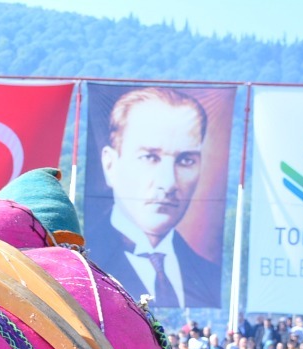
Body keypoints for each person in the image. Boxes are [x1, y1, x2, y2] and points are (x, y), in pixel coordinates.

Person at [88, 85, 221, 308]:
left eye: (186, 160)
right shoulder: (83, 266)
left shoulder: (208, 274)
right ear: (110, 164)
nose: (168, 183)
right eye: (150, 157)